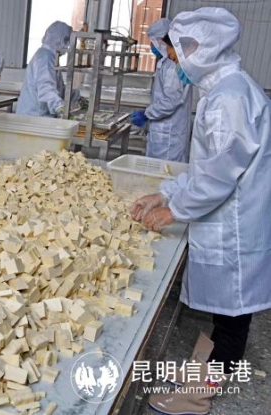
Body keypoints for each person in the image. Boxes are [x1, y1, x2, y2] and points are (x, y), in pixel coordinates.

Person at [129, 8, 271, 415]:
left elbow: (218, 178)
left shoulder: (230, 99)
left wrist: (174, 209)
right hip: (229, 220)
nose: (175, 62)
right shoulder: (223, 91)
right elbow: (205, 167)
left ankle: (198, 395)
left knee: (234, 317)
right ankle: (199, 370)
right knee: (225, 314)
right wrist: (164, 194)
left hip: (236, 227)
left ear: (200, 50)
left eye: (176, 54)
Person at [130, 18, 192, 162]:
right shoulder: (165, 63)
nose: (151, 46)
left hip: (169, 136)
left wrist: (147, 114)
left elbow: (171, 100)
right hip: (163, 133)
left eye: (152, 42)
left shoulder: (171, 66)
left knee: (166, 171)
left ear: (161, 41)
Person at [16, 21, 83, 118]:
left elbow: (58, 88)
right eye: (67, 42)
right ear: (61, 41)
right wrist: (60, 107)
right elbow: (46, 88)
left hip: (38, 117)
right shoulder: (45, 58)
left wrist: (76, 97)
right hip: (34, 118)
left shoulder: (49, 56)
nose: (67, 46)